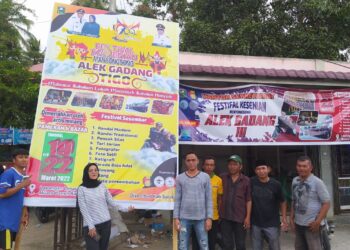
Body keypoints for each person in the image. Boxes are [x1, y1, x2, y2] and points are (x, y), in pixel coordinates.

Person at [77, 163, 133, 250]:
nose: (93, 172)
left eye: (95, 170)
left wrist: (125, 209)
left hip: (105, 225)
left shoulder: (102, 186)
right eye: (91, 170)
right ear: (86, 173)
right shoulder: (82, 189)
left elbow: (112, 202)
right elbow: (83, 209)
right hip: (91, 227)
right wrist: (91, 226)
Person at [290, 155, 330, 250]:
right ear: (296, 167)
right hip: (298, 224)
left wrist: (318, 221)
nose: (301, 168)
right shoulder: (295, 180)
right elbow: (294, 200)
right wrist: (291, 218)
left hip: (312, 225)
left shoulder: (317, 182)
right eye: (299, 166)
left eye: (304, 166)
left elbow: (326, 203)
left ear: (311, 167)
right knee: (299, 247)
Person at [174, 152, 213, 250]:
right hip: (184, 219)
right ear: (185, 162)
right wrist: (176, 218)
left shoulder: (205, 177)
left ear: (198, 161)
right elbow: (177, 199)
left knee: (204, 245)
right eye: (188, 160)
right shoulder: (180, 178)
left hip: (201, 218)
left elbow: (209, 199)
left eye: (193, 160)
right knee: (183, 245)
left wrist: (209, 218)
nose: (191, 162)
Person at [250, 160, 288, 250]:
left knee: (274, 246)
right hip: (256, 222)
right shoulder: (251, 182)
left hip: (272, 223)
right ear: (255, 171)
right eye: (258, 169)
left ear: (269, 169)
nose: (261, 171)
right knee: (256, 247)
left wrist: (284, 218)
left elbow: (283, 201)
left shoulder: (276, 184)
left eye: (263, 168)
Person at [0, 149, 31, 250]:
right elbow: (2, 194)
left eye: (26, 157)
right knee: (5, 248)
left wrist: (25, 212)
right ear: (14, 160)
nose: (24, 159)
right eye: (20, 157)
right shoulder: (9, 173)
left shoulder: (23, 176)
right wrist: (21, 185)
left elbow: (21, 197)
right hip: (5, 222)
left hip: (15, 221)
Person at [220, 155, 251, 250]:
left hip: (240, 217)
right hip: (225, 217)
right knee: (226, 244)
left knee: (240, 244)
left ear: (240, 166)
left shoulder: (246, 180)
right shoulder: (222, 178)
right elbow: (218, 196)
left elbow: (248, 200)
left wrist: (248, 217)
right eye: (230, 164)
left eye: (235, 164)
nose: (232, 166)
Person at [192, 156, 223, 250]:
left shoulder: (218, 180)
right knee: (196, 241)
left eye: (211, 165)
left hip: (213, 216)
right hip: (197, 216)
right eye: (207, 165)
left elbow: (219, 199)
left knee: (211, 241)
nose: (209, 167)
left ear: (214, 167)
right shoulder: (195, 178)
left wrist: (220, 213)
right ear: (203, 166)